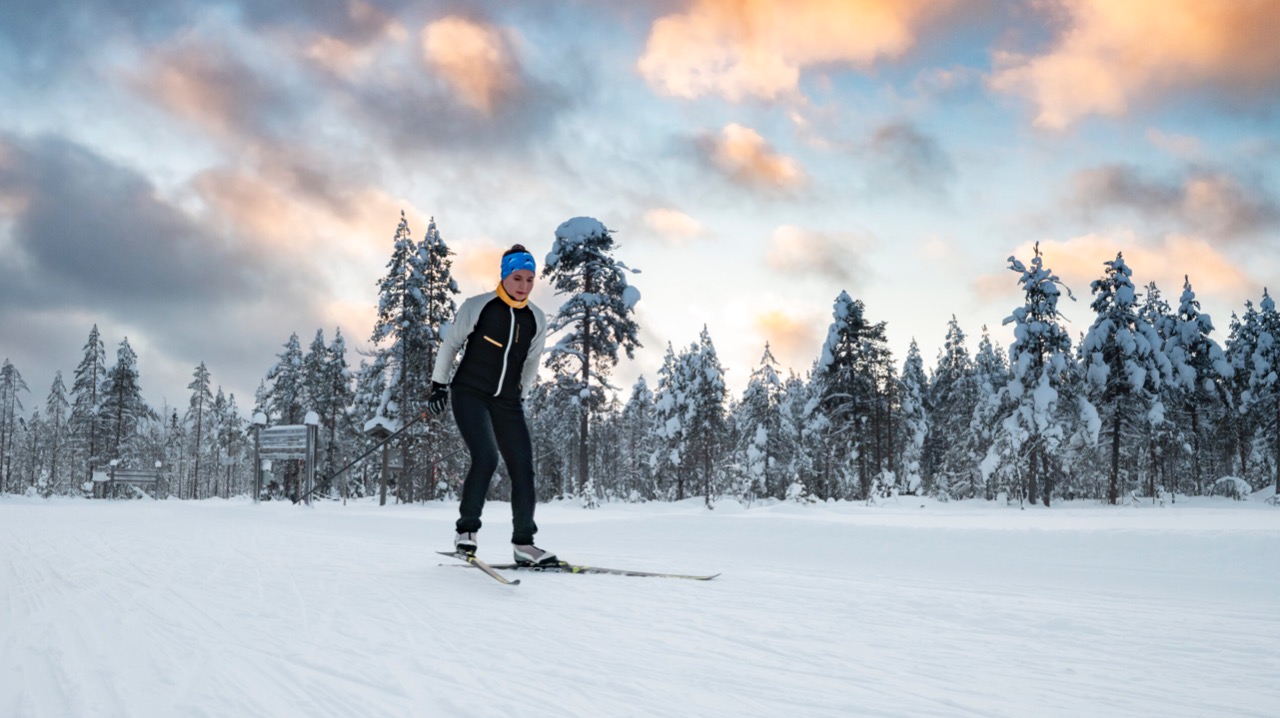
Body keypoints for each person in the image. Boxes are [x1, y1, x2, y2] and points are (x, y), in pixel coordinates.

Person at [428, 244, 556, 566]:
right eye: (518, 278)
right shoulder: (479, 306)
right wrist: (438, 386)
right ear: (504, 276)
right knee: (486, 456)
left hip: (508, 403)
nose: (524, 285)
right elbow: (451, 343)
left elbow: (531, 362)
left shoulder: (536, 319)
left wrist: (521, 394)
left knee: (523, 468)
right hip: (469, 393)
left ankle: (524, 544)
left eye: (530, 279)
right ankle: (466, 533)